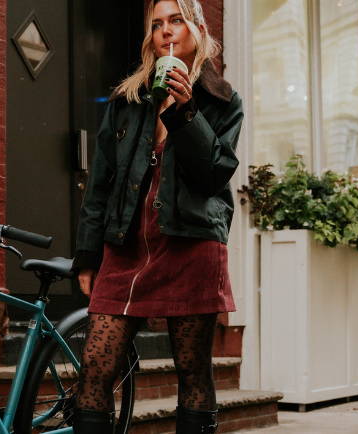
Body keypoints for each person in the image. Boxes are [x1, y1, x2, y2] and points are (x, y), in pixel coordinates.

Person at [70, 0, 243, 433]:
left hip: (191, 244)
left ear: (198, 30)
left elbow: (214, 175)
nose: (166, 31)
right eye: (157, 24)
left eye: (177, 21)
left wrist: (185, 111)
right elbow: (100, 183)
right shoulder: (127, 99)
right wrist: (89, 254)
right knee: (95, 366)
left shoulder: (223, 101)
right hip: (126, 245)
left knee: (192, 370)